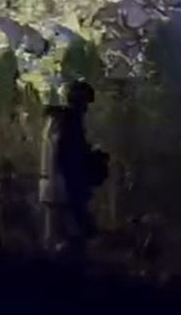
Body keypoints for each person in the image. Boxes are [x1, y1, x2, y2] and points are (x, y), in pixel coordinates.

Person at [39, 80, 107, 256]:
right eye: (85, 103)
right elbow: (68, 158)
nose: (86, 109)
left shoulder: (55, 122)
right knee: (71, 238)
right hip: (66, 190)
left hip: (55, 189)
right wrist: (92, 160)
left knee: (57, 236)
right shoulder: (69, 123)